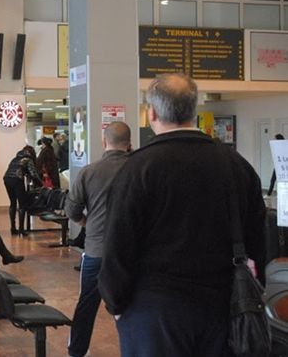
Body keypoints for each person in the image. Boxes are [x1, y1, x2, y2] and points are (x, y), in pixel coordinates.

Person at [98, 73, 266, 357]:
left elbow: (118, 245)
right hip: (222, 308)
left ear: (151, 113)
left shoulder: (137, 168)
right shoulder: (236, 165)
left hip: (154, 310)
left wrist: (115, 303)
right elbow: (257, 239)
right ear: (193, 110)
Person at [64, 121, 131, 357]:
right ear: (129, 144)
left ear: (104, 142)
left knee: (87, 303)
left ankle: (77, 350)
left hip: (96, 250)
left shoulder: (89, 172)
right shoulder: (140, 169)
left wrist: (87, 222)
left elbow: (71, 210)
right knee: (132, 306)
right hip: (131, 254)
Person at [3, 145, 41, 236]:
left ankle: (13, 228)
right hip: (17, 179)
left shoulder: (15, 158)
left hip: (7, 179)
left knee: (12, 203)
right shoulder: (28, 159)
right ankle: (21, 230)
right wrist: (41, 184)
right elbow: (33, 174)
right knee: (22, 205)